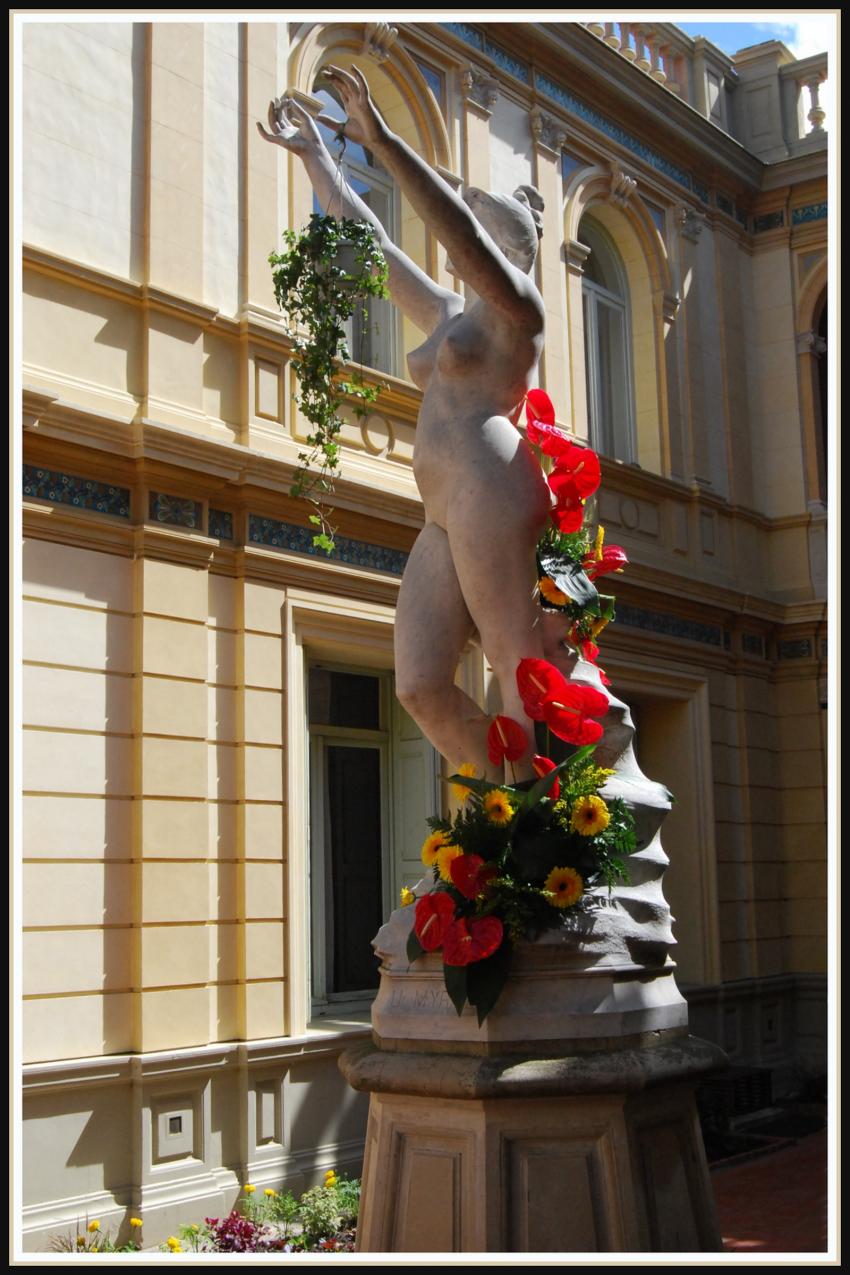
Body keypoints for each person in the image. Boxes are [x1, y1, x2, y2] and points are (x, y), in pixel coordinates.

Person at [258, 63, 555, 782]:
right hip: (440, 508)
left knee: (518, 666)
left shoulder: (520, 312)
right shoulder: (456, 314)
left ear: (513, 246)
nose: (472, 227)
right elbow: (375, 250)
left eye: (485, 223)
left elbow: (460, 242)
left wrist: (385, 141)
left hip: (490, 485)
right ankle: (510, 802)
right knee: (419, 685)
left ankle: (543, 825)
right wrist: (320, 159)